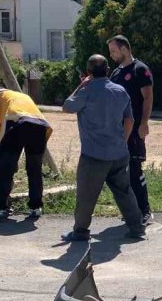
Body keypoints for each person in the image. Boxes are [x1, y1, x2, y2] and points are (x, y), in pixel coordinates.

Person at [61, 54, 145, 242]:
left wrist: (81, 85)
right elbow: (129, 120)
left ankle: (80, 231)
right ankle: (137, 227)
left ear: (88, 72)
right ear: (107, 70)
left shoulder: (86, 91)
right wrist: (123, 141)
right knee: (124, 191)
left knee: (86, 195)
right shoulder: (120, 91)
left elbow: (67, 106)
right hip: (119, 153)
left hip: (93, 155)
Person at [0, 87, 52, 221]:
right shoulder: (20, 96)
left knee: (5, 169)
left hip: (15, 121)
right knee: (35, 169)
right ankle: (36, 207)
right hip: (39, 124)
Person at [107, 35, 154, 225]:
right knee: (121, 171)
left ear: (124, 49)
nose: (111, 55)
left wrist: (144, 123)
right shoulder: (116, 73)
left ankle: (145, 211)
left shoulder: (140, 69)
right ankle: (131, 211)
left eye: (113, 51)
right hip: (117, 130)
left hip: (134, 129)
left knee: (135, 169)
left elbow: (148, 98)